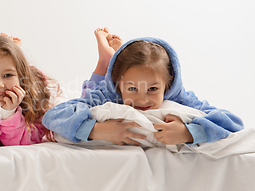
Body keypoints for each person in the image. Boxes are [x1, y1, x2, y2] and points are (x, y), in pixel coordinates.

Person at [43, 31, 244, 146]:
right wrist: (97, 130)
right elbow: (53, 116)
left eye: (153, 89)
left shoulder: (180, 96)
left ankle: (112, 57)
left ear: (167, 85)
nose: (142, 100)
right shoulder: (107, 92)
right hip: (104, 82)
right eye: (132, 89)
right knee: (87, 94)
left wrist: (189, 132)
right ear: (118, 84)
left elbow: (234, 123)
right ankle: (106, 62)